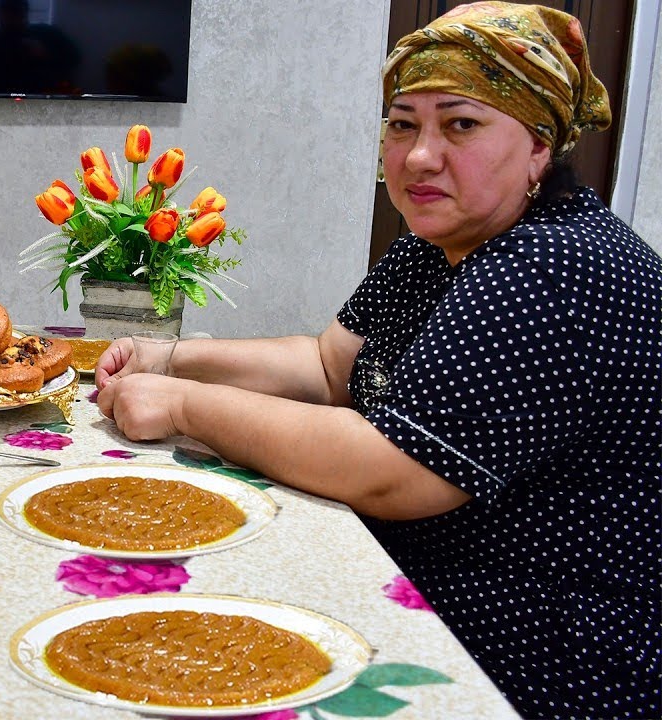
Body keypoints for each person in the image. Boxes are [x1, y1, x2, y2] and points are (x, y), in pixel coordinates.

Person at [94, 3, 659, 717]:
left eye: (462, 124)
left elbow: (393, 472)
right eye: (402, 124)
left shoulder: (554, 264)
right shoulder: (439, 241)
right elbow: (329, 366)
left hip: (543, 657)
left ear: (540, 147)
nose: (418, 155)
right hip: (434, 589)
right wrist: (169, 356)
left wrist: (180, 403)